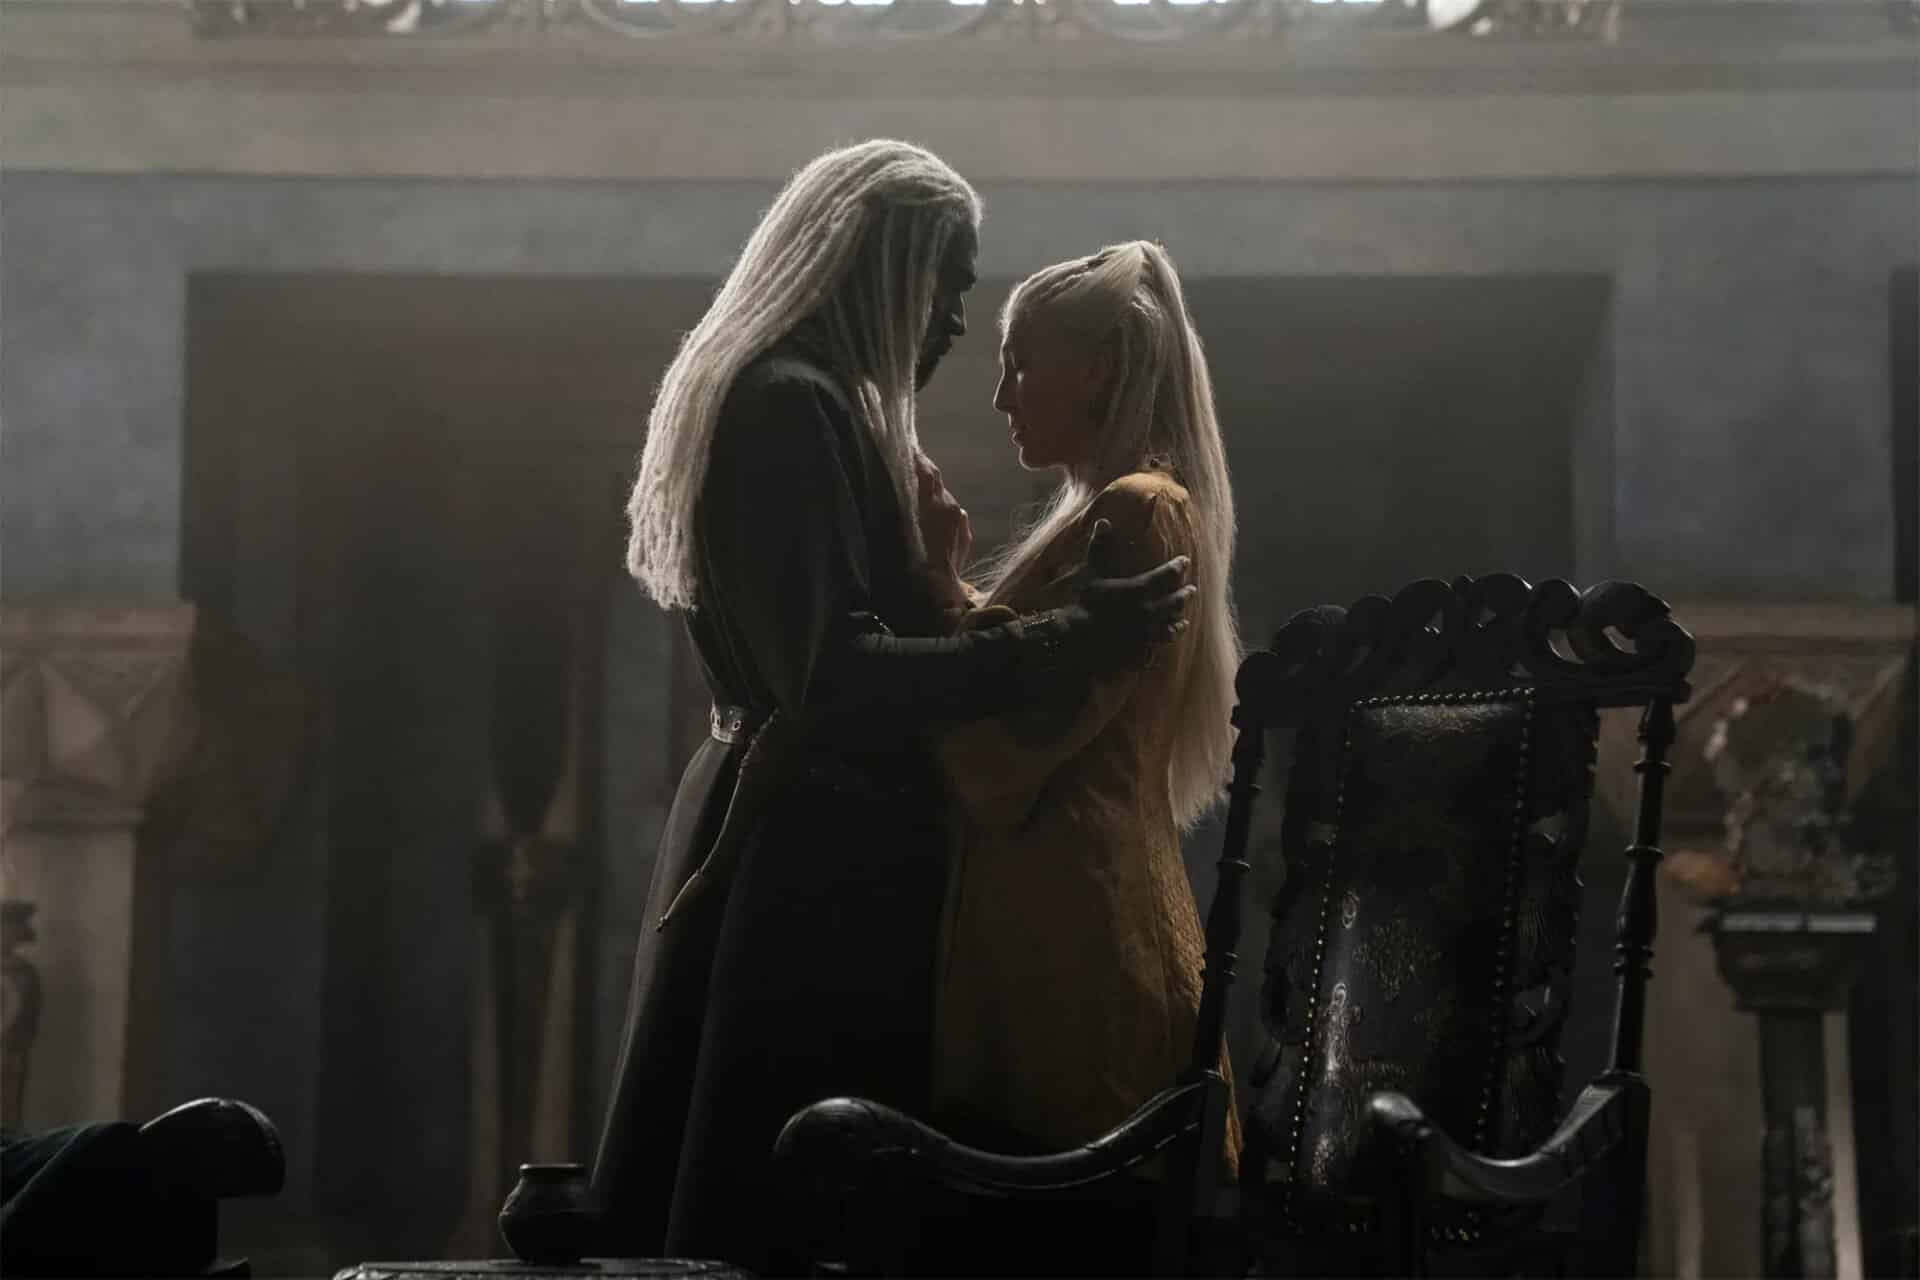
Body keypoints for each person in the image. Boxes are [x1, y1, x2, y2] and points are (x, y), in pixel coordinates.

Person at [590, 142, 1195, 1273]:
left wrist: (941, 587)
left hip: (804, 832)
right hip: (813, 854)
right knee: (796, 1204)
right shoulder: (791, 403)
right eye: (948, 284)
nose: (958, 322)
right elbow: (833, 677)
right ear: (884, 267)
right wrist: (1073, 637)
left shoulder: (798, 399)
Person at [913, 241, 1242, 1271]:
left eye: (1022, 363)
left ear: (1097, 369)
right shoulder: (1112, 511)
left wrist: (942, 593)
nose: (1001, 395)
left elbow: (1006, 747)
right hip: (1057, 931)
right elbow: (1051, 679)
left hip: (1082, 951)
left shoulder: (1138, 511)